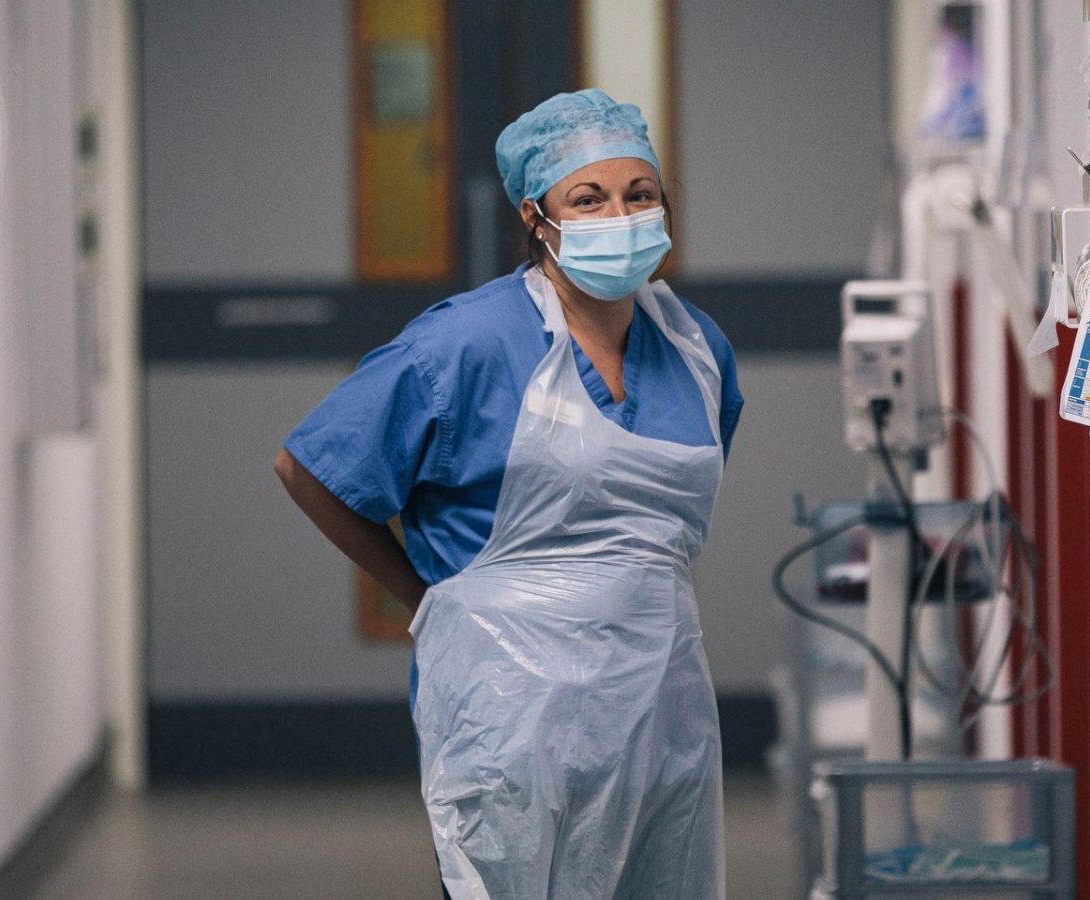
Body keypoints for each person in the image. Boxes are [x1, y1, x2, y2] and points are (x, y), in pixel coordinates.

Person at [274, 89, 741, 899]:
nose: (620, 215)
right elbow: (310, 467)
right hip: (509, 716)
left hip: (661, 708)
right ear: (536, 216)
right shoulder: (466, 343)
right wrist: (423, 598)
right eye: (587, 198)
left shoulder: (696, 348)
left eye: (640, 195)